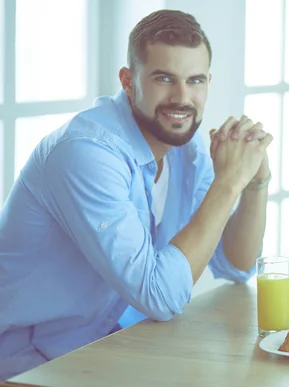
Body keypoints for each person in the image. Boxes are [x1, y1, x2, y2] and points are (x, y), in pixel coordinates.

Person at [0, 9, 273, 380]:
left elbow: (236, 265)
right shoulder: (86, 154)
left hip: (111, 348)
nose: (182, 98)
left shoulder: (187, 153)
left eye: (195, 80)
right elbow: (159, 297)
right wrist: (228, 183)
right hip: (28, 365)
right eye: (164, 78)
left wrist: (255, 181)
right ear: (128, 81)